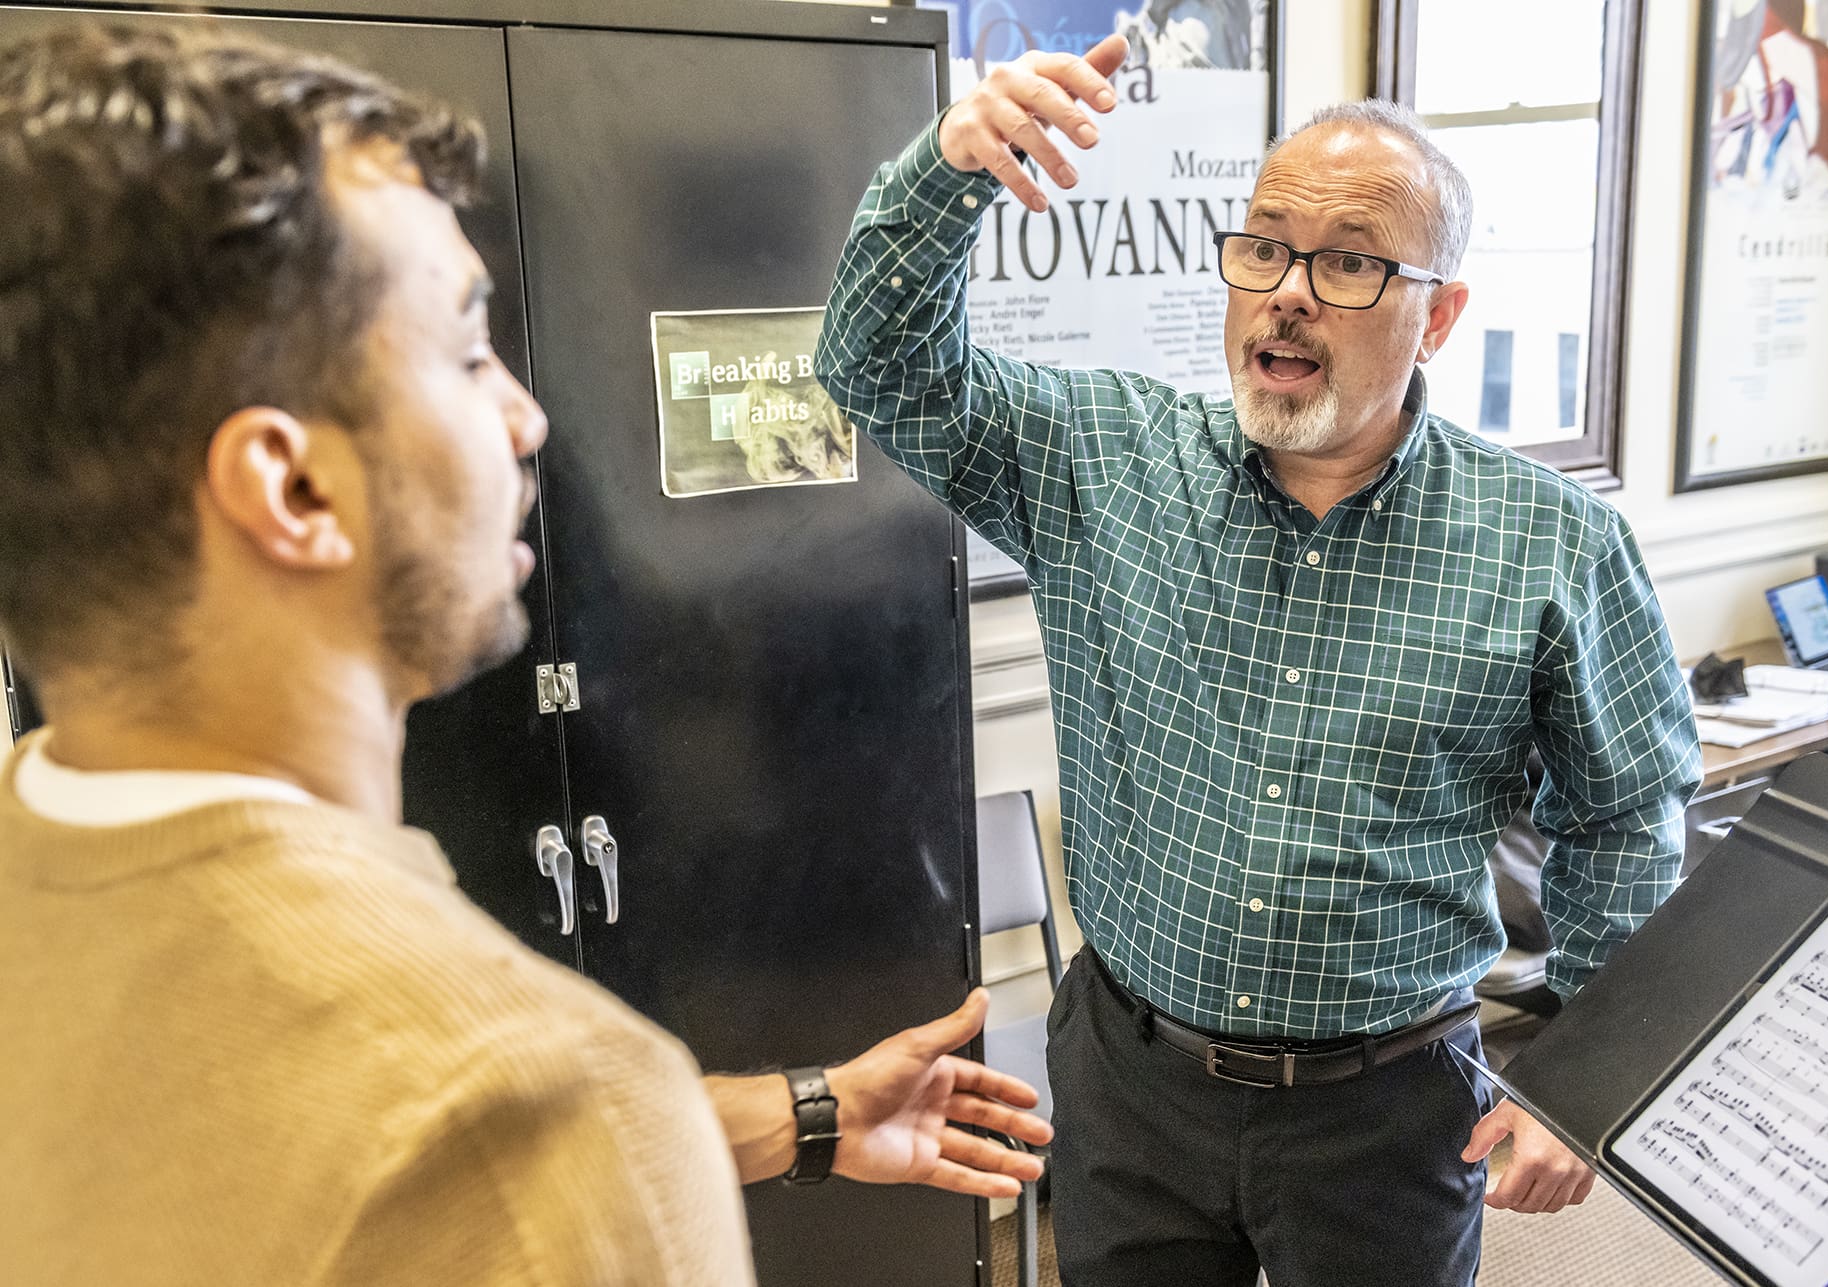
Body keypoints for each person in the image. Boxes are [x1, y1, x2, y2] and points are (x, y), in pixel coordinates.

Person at [0, 24, 1049, 1287]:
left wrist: (800, 1115)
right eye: (463, 349)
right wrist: (619, 1138)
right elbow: (506, 1138)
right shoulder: (547, 1117)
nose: (527, 413)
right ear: (291, 486)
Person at [817, 33, 1701, 1287]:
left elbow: (1626, 817)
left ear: (1437, 314)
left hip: (1392, 1114)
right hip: (1133, 1085)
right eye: (1265, 245)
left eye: (1347, 263)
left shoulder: (1551, 541)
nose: (1287, 290)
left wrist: (1588, 1079)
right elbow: (874, 367)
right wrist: (947, 173)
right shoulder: (1100, 459)